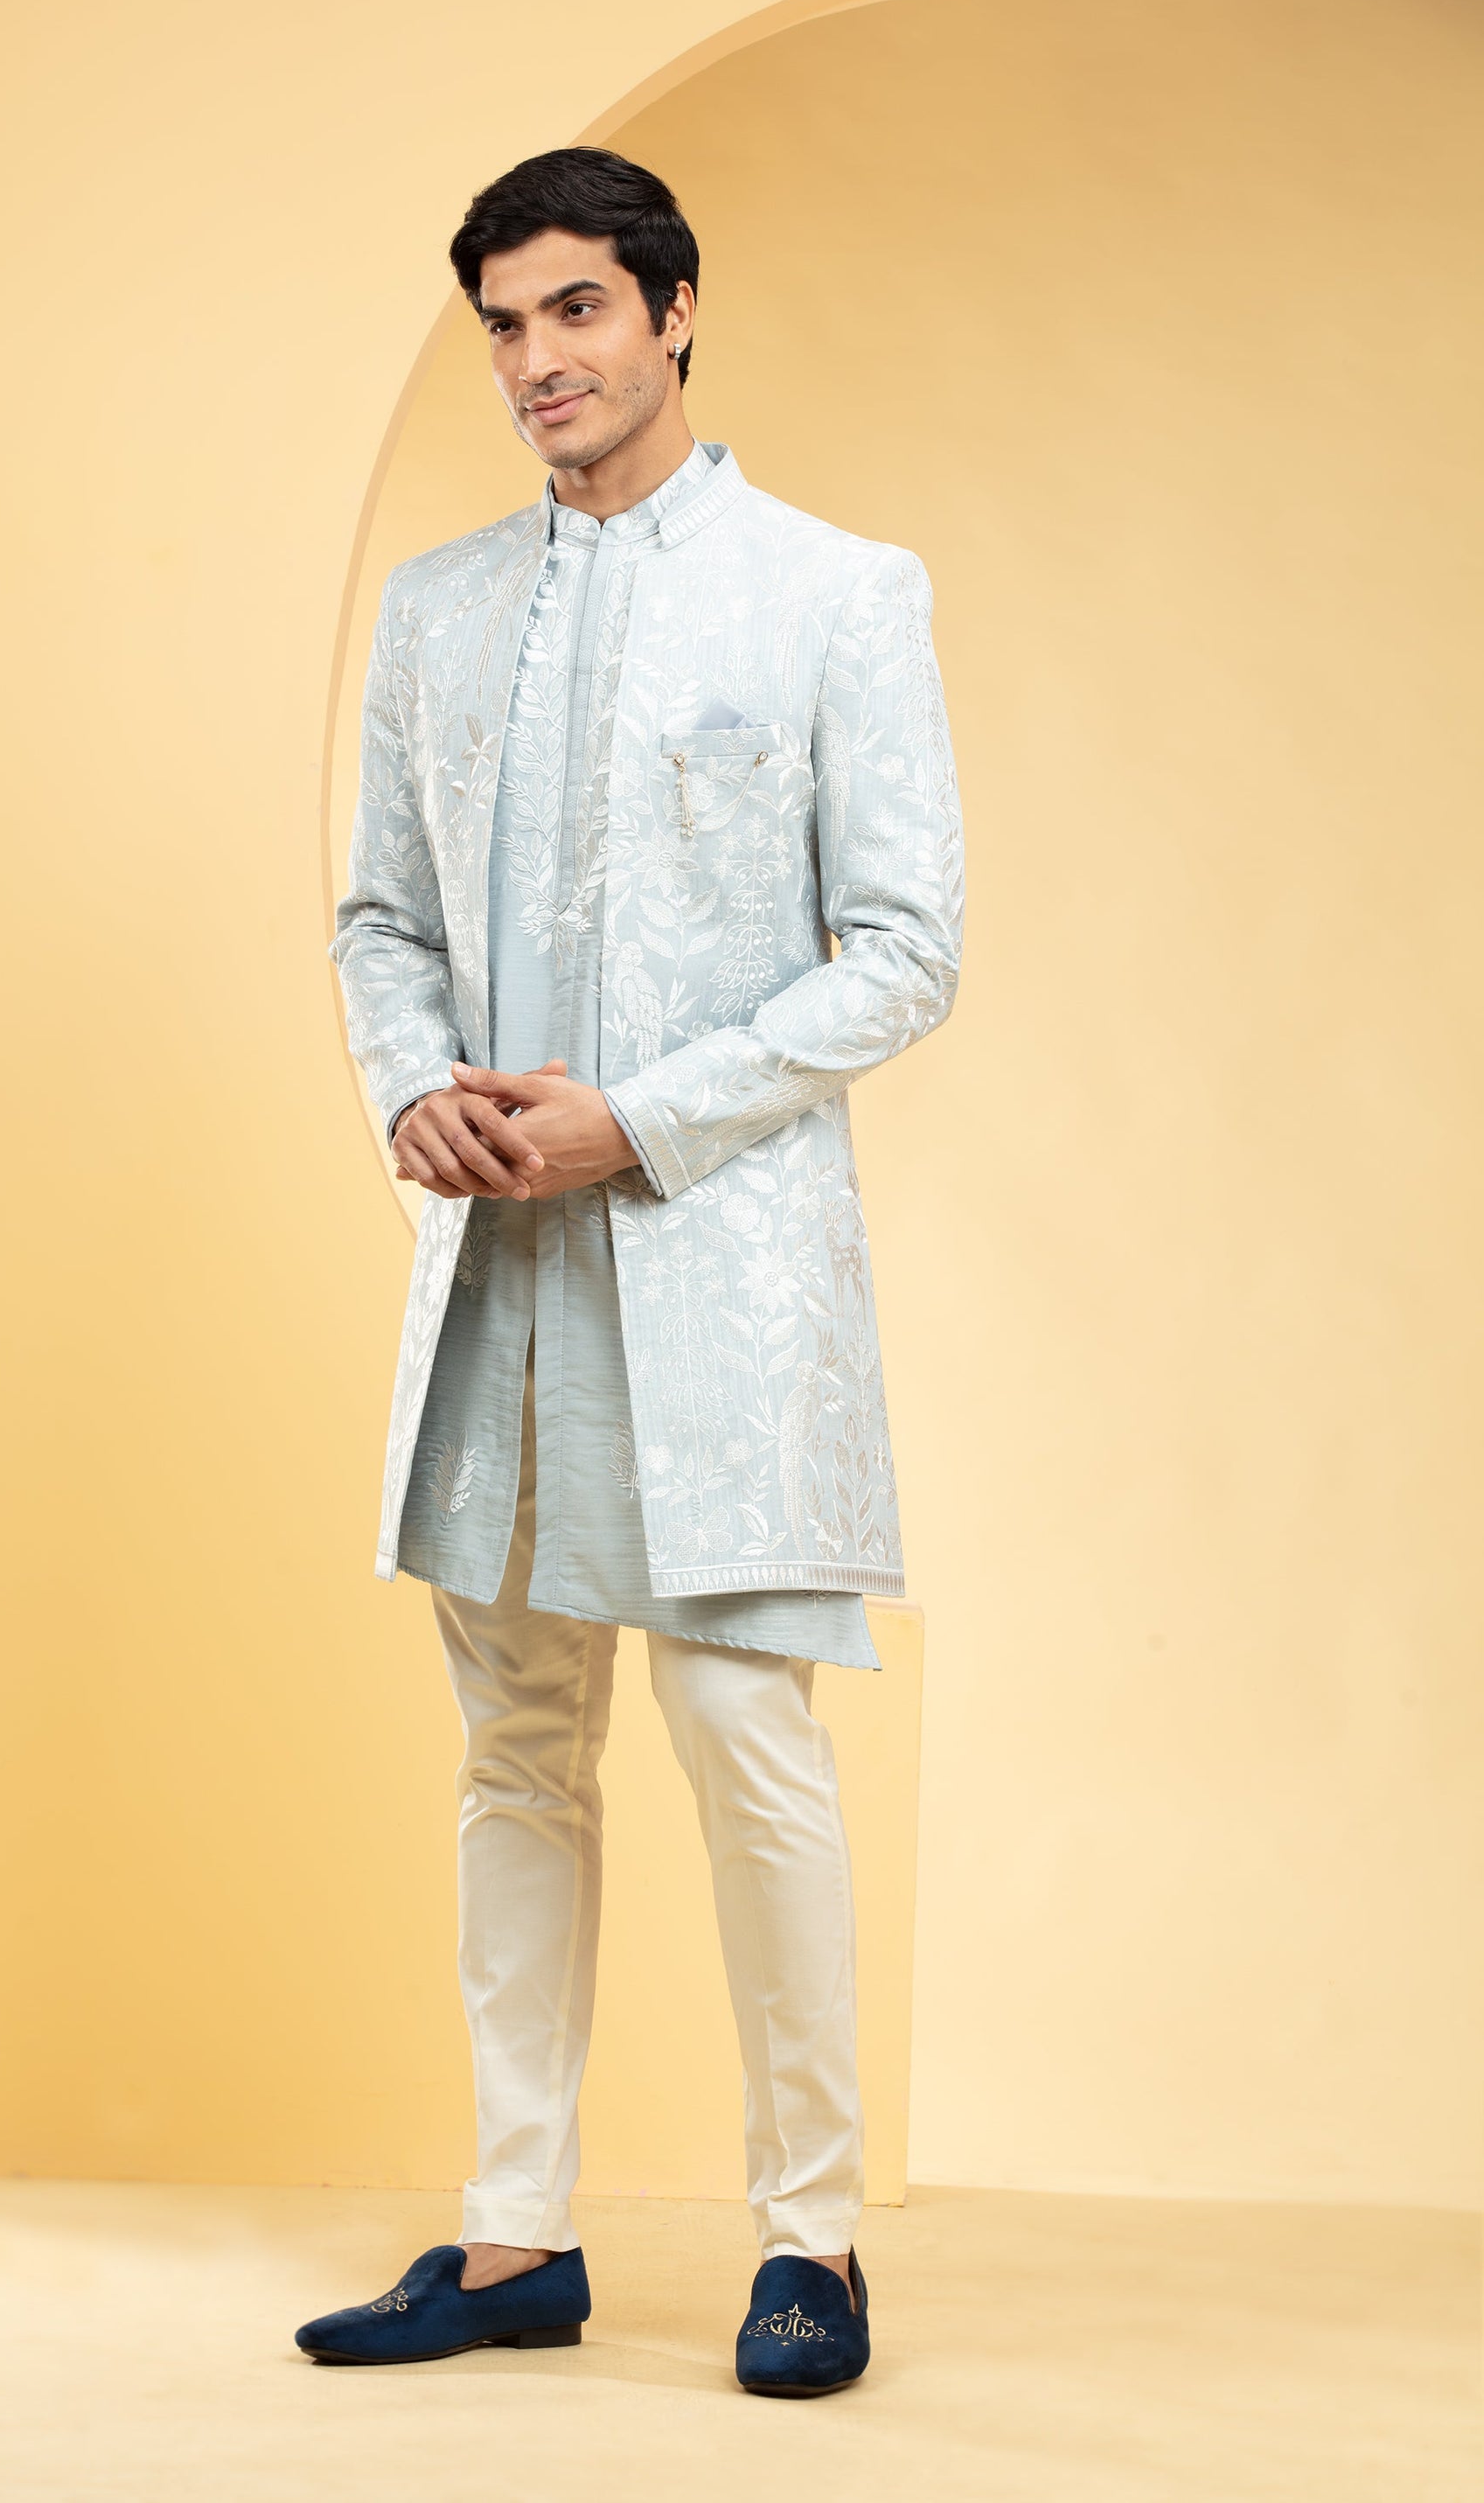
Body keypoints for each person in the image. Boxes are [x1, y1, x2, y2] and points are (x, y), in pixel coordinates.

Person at [298, 146, 963, 2396]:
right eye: (503, 323)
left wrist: (641, 1116)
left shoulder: (832, 593)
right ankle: (513, 2234)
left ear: (674, 309)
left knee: (745, 1736)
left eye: (574, 308)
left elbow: (905, 950)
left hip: (713, 1258)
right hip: (499, 1263)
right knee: (515, 1745)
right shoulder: (438, 611)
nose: (535, 360)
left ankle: (811, 2242)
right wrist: (415, 1084)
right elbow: (380, 917)